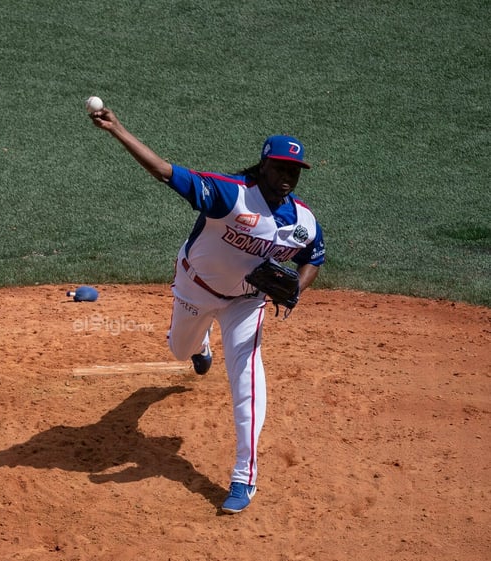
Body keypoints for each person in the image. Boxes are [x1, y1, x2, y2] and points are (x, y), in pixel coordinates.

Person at [89, 105, 325, 514]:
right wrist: (118, 130)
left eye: (296, 170)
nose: (288, 176)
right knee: (180, 351)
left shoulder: (303, 219)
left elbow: (315, 256)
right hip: (193, 288)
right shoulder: (229, 194)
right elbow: (165, 171)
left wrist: (297, 290)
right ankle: (201, 348)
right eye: (282, 167)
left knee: (248, 382)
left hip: (246, 304)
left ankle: (243, 477)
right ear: (265, 164)